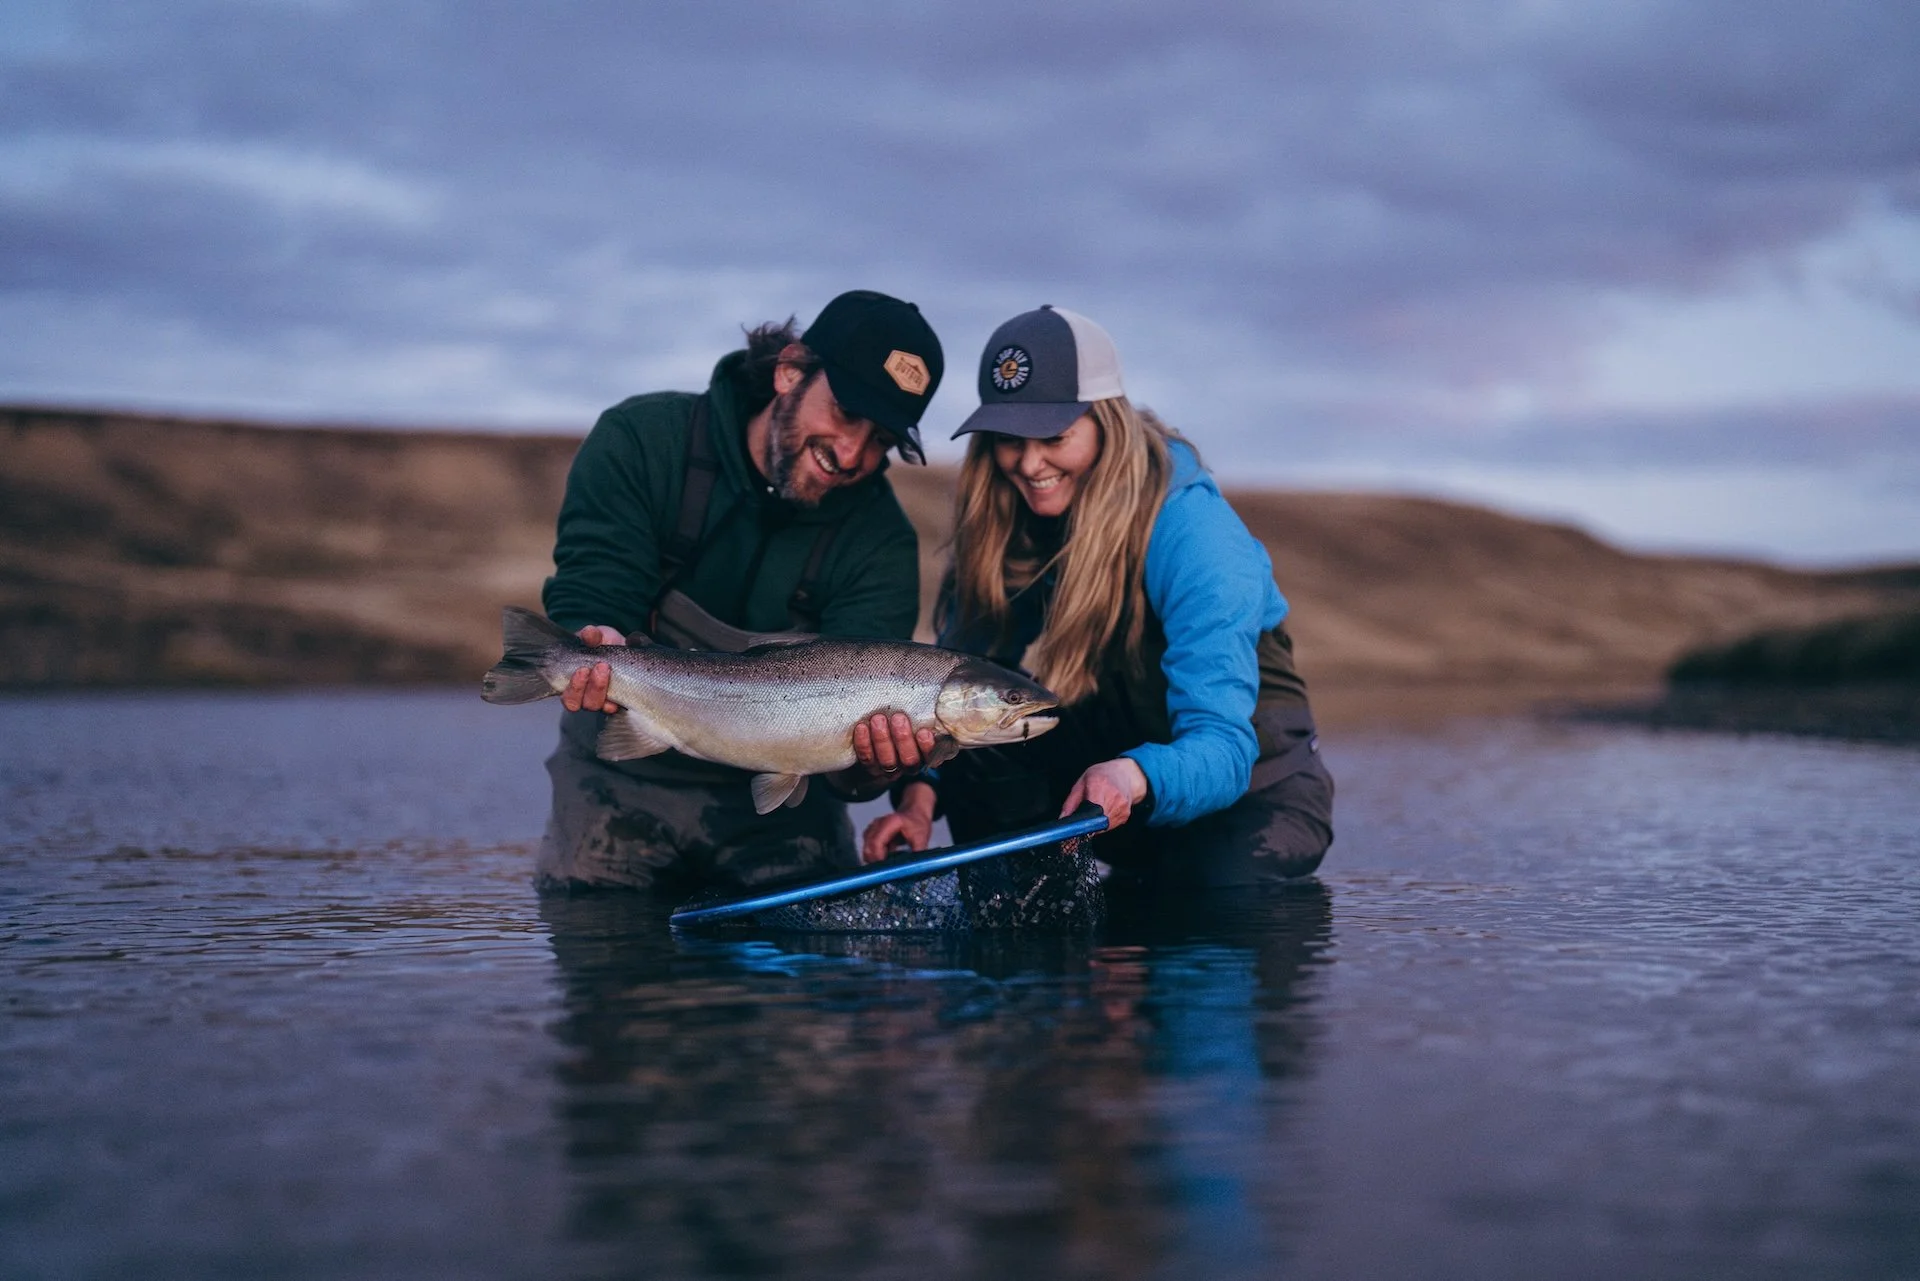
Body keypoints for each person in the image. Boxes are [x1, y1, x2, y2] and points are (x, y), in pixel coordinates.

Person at [862, 306, 1334, 888]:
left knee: (1205, 903)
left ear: (1106, 423)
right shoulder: (1011, 523)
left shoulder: (1196, 535)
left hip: (1253, 796)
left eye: (1054, 436)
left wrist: (1133, 776)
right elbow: (955, 697)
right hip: (1113, 790)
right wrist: (918, 802)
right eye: (1009, 439)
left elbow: (1225, 749)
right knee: (981, 730)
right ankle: (1020, 951)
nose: (1029, 464)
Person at [538, 290, 946, 893]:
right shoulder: (643, 441)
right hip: (619, 780)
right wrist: (595, 631)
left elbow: (847, 780)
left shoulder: (881, 541)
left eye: (882, 439)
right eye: (844, 410)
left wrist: (876, 769)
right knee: (602, 948)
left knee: (795, 975)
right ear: (789, 371)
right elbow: (595, 582)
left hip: (785, 810)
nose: (853, 452)